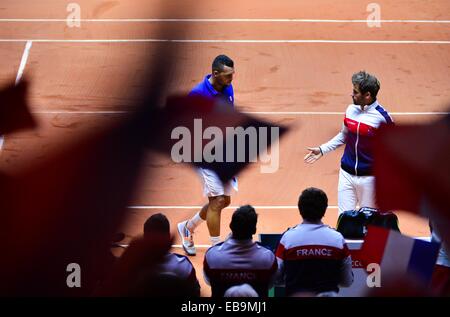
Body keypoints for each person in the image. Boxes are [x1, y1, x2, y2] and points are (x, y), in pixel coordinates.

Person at [304, 71, 394, 214]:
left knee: (368, 225)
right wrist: (322, 150)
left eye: (355, 92)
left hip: (370, 179)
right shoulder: (351, 110)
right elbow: (343, 136)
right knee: (344, 220)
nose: (352, 94)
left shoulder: (383, 118)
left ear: (368, 95)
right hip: (346, 174)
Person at [178, 55, 238, 255]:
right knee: (218, 201)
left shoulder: (227, 87)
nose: (231, 79)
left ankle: (188, 227)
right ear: (215, 74)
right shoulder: (197, 95)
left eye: (232, 75)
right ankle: (216, 249)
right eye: (228, 76)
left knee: (224, 201)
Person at [275, 187, 353, 296]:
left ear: (300, 209)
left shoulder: (287, 239)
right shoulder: (338, 240)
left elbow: (276, 277)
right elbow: (347, 282)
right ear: (324, 209)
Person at [203, 205, 277, 297]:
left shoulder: (212, 255)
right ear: (254, 230)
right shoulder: (268, 257)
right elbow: (270, 285)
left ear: (231, 226)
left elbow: (208, 281)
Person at [141, 213, 201, 296]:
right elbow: (195, 293)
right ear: (169, 238)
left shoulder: (132, 267)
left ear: (144, 238)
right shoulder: (184, 265)